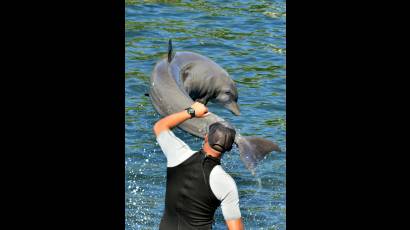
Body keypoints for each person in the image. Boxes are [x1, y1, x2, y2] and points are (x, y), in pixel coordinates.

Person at [153, 102, 244, 230]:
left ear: (206, 137)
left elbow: (160, 126)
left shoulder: (178, 154)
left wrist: (191, 111)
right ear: (229, 149)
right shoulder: (226, 183)